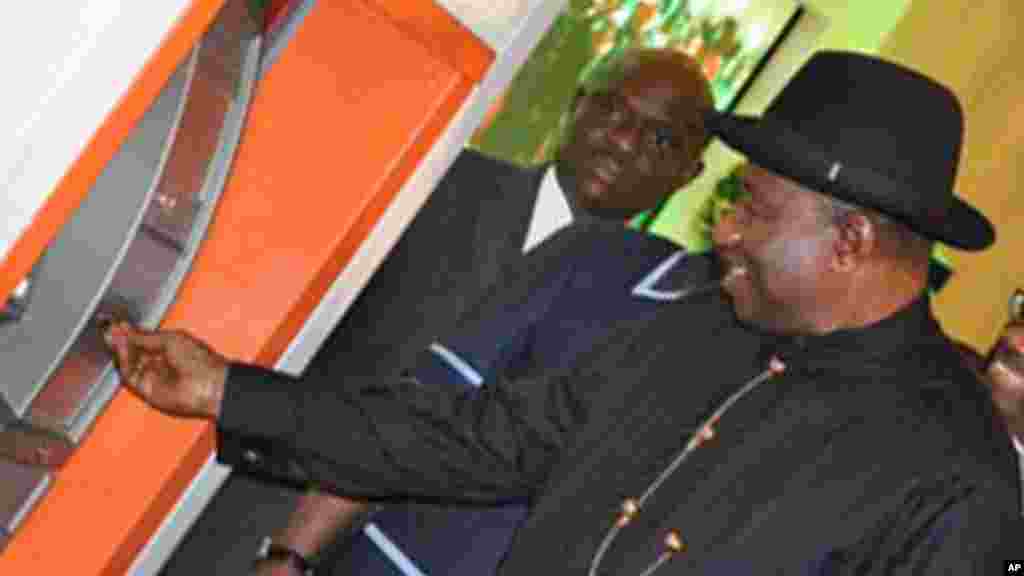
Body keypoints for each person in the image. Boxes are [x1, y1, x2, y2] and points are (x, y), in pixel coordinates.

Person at [109, 51, 1021, 573]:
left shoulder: (953, 480)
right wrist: (232, 392)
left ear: (852, 240)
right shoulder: (704, 328)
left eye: (753, 206)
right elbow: (477, 437)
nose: (726, 229)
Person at [157, 48, 715, 576]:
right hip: (247, 520)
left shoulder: (647, 319)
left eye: (660, 139)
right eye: (613, 111)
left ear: (689, 174)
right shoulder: (431, 183)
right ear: (576, 105)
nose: (623, 142)